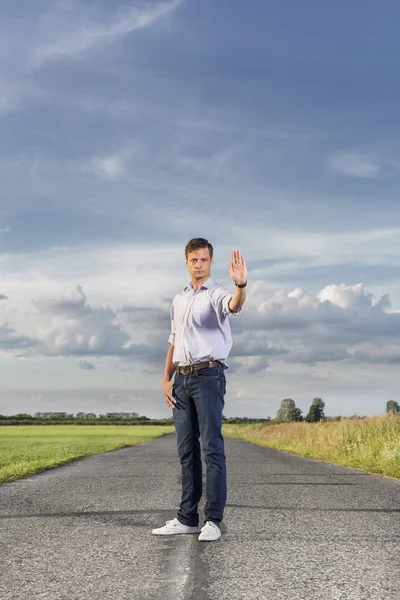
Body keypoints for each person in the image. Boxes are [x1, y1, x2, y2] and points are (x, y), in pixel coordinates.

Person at [152, 237, 247, 542]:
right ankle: (187, 518)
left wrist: (241, 287)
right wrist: (166, 379)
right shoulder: (178, 300)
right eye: (194, 260)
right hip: (181, 379)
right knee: (186, 451)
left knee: (212, 448)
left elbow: (232, 306)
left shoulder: (216, 293)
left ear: (210, 262)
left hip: (208, 376)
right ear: (187, 262)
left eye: (204, 260)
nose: (198, 264)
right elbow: (173, 340)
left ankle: (213, 520)